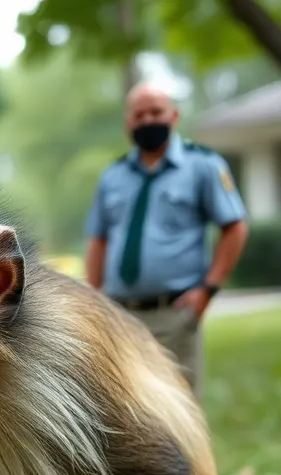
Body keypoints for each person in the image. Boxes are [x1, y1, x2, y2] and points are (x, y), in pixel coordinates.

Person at [83, 81, 249, 397]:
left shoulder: (203, 165)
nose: (147, 121)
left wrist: (207, 289)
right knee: (124, 407)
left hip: (173, 314)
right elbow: (98, 239)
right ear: (127, 123)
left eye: (155, 112)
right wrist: (93, 299)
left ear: (173, 116)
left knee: (178, 412)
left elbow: (235, 227)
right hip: (118, 316)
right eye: (139, 115)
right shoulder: (112, 175)